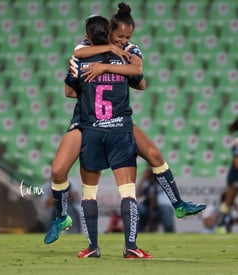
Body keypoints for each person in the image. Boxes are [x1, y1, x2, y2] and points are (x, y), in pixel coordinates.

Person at [44, 2, 205, 246]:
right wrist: (99, 78)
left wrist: (108, 69)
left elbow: (140, 77)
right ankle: (63, 218)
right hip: (87, 120)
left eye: (127, 37)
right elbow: (72, 74)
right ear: (108, 31)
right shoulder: (85, 49)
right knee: (58, 170)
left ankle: (178, 204)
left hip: (118, 121)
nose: (123, 40)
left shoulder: (130, 50)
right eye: (119, 36)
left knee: (153, 153)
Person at [67, 14, 152, 258]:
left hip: (92, 129)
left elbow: (69, 92)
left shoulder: (81, 59)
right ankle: (131, 247)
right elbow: (141, 81)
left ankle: (92, 247)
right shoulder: (125, 57)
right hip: (120, 130)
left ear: (88, 34)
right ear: (110, 32)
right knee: (127, 191)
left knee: (88, 192)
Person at [215, 117, 238, 232]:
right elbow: (236, 162)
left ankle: (220, 225)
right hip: (235, 175)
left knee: (229, 202)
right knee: (229, 201)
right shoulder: (237, 141)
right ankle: (220, 226)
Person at [137, 166, 175, 233]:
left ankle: (170, 233)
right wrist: (143, 178)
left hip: (162, 207)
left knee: (165, 209)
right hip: (148, 208)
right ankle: (139, 234)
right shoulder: (147, 182)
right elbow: (138, 194)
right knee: (139, 209)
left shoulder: (163, 180)